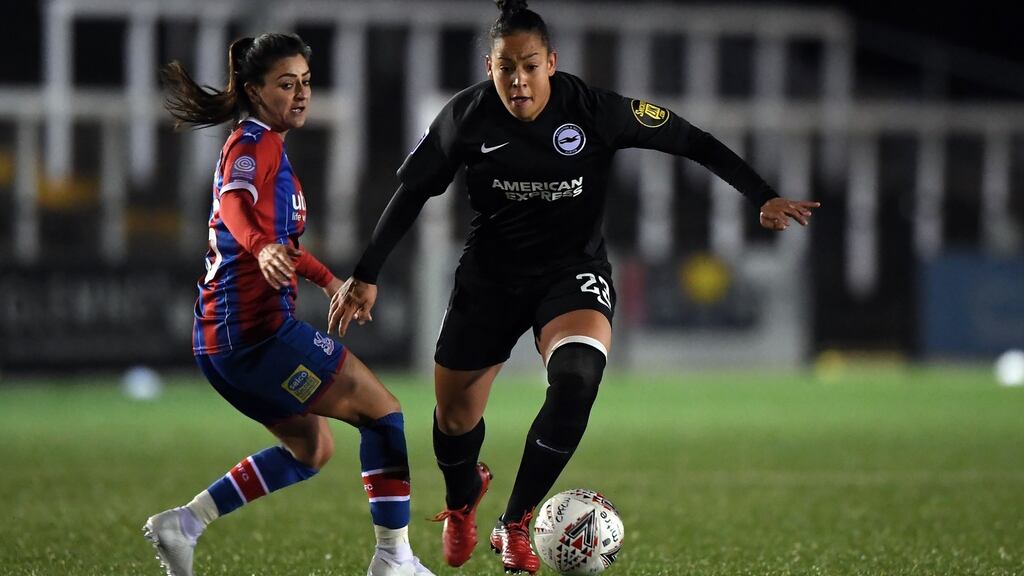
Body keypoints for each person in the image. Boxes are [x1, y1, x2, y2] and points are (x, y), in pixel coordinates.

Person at [328, 1, 820, 573]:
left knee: (578, 378)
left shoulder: (593, 109)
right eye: (505, 67)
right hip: (490, 278)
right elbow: (412, 192)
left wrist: (762, 195)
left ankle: (515, 521)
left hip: (572, 272)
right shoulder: (466, 116)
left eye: (529, 66)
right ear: (489, 68)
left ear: (552, 63)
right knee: (454, 420)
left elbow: (691, 139)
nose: (518, 80)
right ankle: (463, 499)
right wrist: (366, 272)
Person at [142, 33, 433, 576]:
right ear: (255, 91)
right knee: (384, 413)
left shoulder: (268, 145)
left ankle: (185, 524)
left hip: (225, 343)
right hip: (257, 337)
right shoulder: (252, 145)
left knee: (311, 449)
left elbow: (281, 244)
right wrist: (259, 247)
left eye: (306, 82)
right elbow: (235, 205)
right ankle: (394, 560)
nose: (301, 94)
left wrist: (329, 280)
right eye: (286, 84)